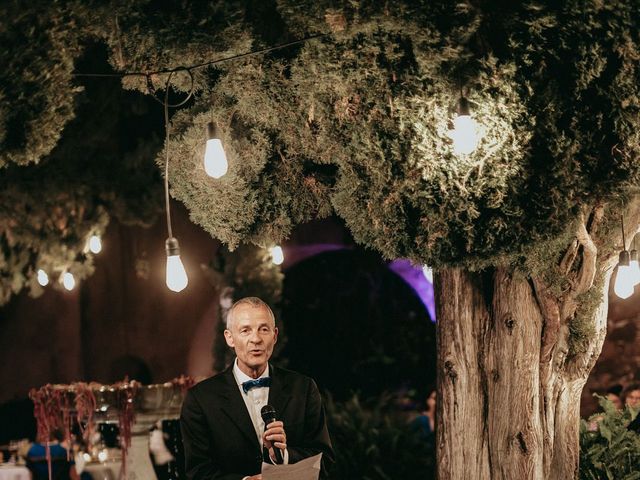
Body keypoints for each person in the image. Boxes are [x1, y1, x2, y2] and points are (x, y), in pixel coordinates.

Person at [180, 297, 334, 480]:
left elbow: (324, 461)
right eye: (245, 330)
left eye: (264, 329)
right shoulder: (201, 399)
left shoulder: (303, 388)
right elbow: (197, 472)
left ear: (275, 335)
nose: (256, 339)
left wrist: (283, 458)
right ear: (229, 338)